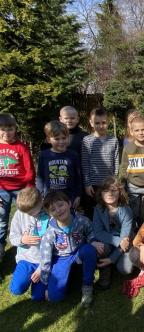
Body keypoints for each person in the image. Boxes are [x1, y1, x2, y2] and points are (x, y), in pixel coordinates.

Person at [39, 191, 104, 306]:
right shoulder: (49, 233)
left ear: (69, 203)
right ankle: (70, 278)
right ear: (50, 214)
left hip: (79, 252)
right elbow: (45, 259)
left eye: (60, 205)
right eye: (53, 209)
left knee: (89, 250)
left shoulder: (81, 220)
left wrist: (93, 242)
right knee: (55, 297)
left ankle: (87, 286)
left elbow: (90, 232)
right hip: (61, 258)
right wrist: (46, 283)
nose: (58, 210)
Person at [0, 113, 35, 262]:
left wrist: (29, 189)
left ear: (15, 129)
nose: (6, 133)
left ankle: (28, 247)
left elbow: (30, 171)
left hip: (21, 190)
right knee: (1, 221)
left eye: (10, 129)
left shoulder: (22, 147)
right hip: (1, 191)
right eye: (2, 129)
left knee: (26, 218)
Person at [92, 176, 134, 289]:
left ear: (120, 192)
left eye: (113, 190)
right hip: (109, 240)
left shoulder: (126, 210)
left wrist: (112, 258)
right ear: (101, 193)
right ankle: (104, 275)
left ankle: (112, 262)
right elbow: (98, 232)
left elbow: (126, 239)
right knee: (101, 248)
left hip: (125, 243)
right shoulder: (98, 209)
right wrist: (119, 241)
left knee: (125, 269)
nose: (109, 193)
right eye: (106, 190)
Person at [9, 187, 49, 299]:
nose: (29, 214)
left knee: (37, 297)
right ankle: (25, 276)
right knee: (16, 289)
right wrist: (22, 240)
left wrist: (42, 268)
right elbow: (12, 237)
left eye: (32, 212)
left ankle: (42, 282)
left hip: (44, 260)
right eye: (26, 212)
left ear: (41, 201)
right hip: (26, 258)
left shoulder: (49, 213)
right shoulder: (20, 214)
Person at [82, 107, 119, 219]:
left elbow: (116, 161)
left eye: (104, 122)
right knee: (93, 211)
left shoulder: (114, 140)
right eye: (97, 123)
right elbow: (85, 163)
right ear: (91, 123)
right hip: (93, 184)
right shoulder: (87, 140)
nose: (101, 126)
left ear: (108, 122)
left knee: (109, 211)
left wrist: (115, 180)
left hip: (109, 184)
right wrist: (87, 184)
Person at [36, 120, 82, 209]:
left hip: (70, 196)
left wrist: (78, 195)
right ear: (49, 139)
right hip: (50, 197)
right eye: (57, 139)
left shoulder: (73, 155)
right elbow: (40, 177)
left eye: (64, 138)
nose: (61, 141)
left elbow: (78, 176)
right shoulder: (44, 155)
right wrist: (40, 194)